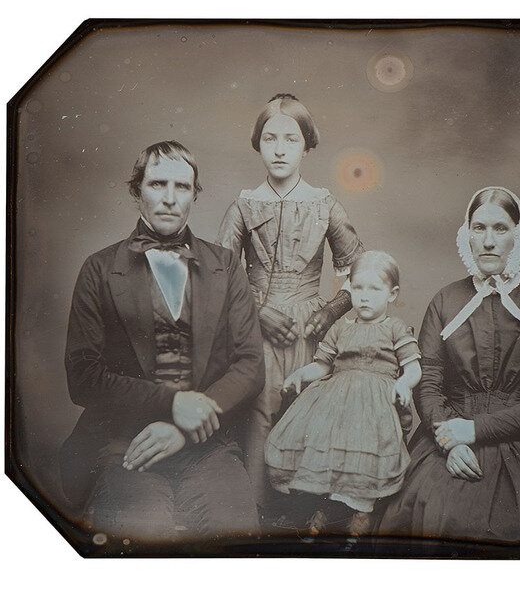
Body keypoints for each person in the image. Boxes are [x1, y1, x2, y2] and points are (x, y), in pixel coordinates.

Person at [59, 141, 264, 543]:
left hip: (206, 444)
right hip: (125, 444)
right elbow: (83, 377)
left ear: (193, 194)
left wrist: (184, 427)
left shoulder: (225, 265)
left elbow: (250, 365)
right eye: (157, 184)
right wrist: (172, 403)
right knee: (144, 538)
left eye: (182, 186)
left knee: (237, 536)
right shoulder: (99, 268)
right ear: (137, 191)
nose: (170, 198)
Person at [379, 186, 520, 543]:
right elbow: (428, 383)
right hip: (448, 431)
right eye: (479, 228)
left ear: (518, 236)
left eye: (500, 228)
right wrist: (450, 441)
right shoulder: (445, 301)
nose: (489, 241)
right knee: (424, 509)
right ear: (468, 235)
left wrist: (475, 431)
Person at [216, 94, 365, 520]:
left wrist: (331, 310)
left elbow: (360, 269)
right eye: (270, 139)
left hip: (309, 328)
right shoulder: (244, 205)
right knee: (261, 408)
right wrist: (258, 310)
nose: (279, 150)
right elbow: (220, 273)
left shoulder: (324, 204)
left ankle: (302, 511)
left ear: (306, 146)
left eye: (291, 139)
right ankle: (256, 511)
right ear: (258, 144)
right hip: (254, 326)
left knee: (307, 408)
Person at [265, 251, 421, 537]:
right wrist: (300, 374)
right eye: (358, 288)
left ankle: (361, 513)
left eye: (374, 289)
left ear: (392, 293)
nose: (364, 297)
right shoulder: (340, 328)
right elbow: (322, 365)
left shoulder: (395, 328)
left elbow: (413, 368)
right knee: (330, 454)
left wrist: (404, 383)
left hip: (374, 405)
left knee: (366, 456)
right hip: (336, 403)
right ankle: (329, 509)